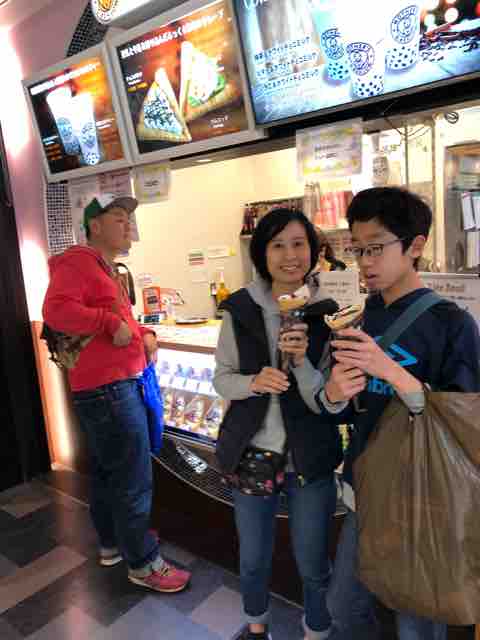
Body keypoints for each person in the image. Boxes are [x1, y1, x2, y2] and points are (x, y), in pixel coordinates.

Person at [319, 187, 480, 640]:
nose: (364, 261)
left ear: (415, 246)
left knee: (416, 622)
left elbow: (466, 425)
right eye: (357, 249)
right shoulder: (359, 317)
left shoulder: (452, 324)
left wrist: (391, 371)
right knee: (343, 607)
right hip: (366, 487)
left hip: (423, 497)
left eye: (376, 247)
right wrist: (334, 394)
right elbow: (347, 410)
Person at [42, 193, 191, 593]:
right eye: (119, 218)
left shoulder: (104, 268)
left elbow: (121, 320)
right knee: (133, 478)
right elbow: (56, 311)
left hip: (111, 387)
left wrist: (144, 333)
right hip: (109, 389)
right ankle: (143, 563)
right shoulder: (78, 261)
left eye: (129, 219)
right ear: (95, 225)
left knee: (110, 473)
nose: (128, 226)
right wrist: (108, 324)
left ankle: (113, 543)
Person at [213, 208, 343, 640]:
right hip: (253, 453)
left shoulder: (330, 311)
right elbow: (222, 379)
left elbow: (330, 398)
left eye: (299, 244)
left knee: (313, 561)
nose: (290, 256)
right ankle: (256, 624)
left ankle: (317, 629)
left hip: (310, 454)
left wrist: (302, 364)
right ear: (262, 253)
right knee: (253, 558)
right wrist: (253, 382)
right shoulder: (241, 308)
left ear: (314, 250)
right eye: (278, 245)